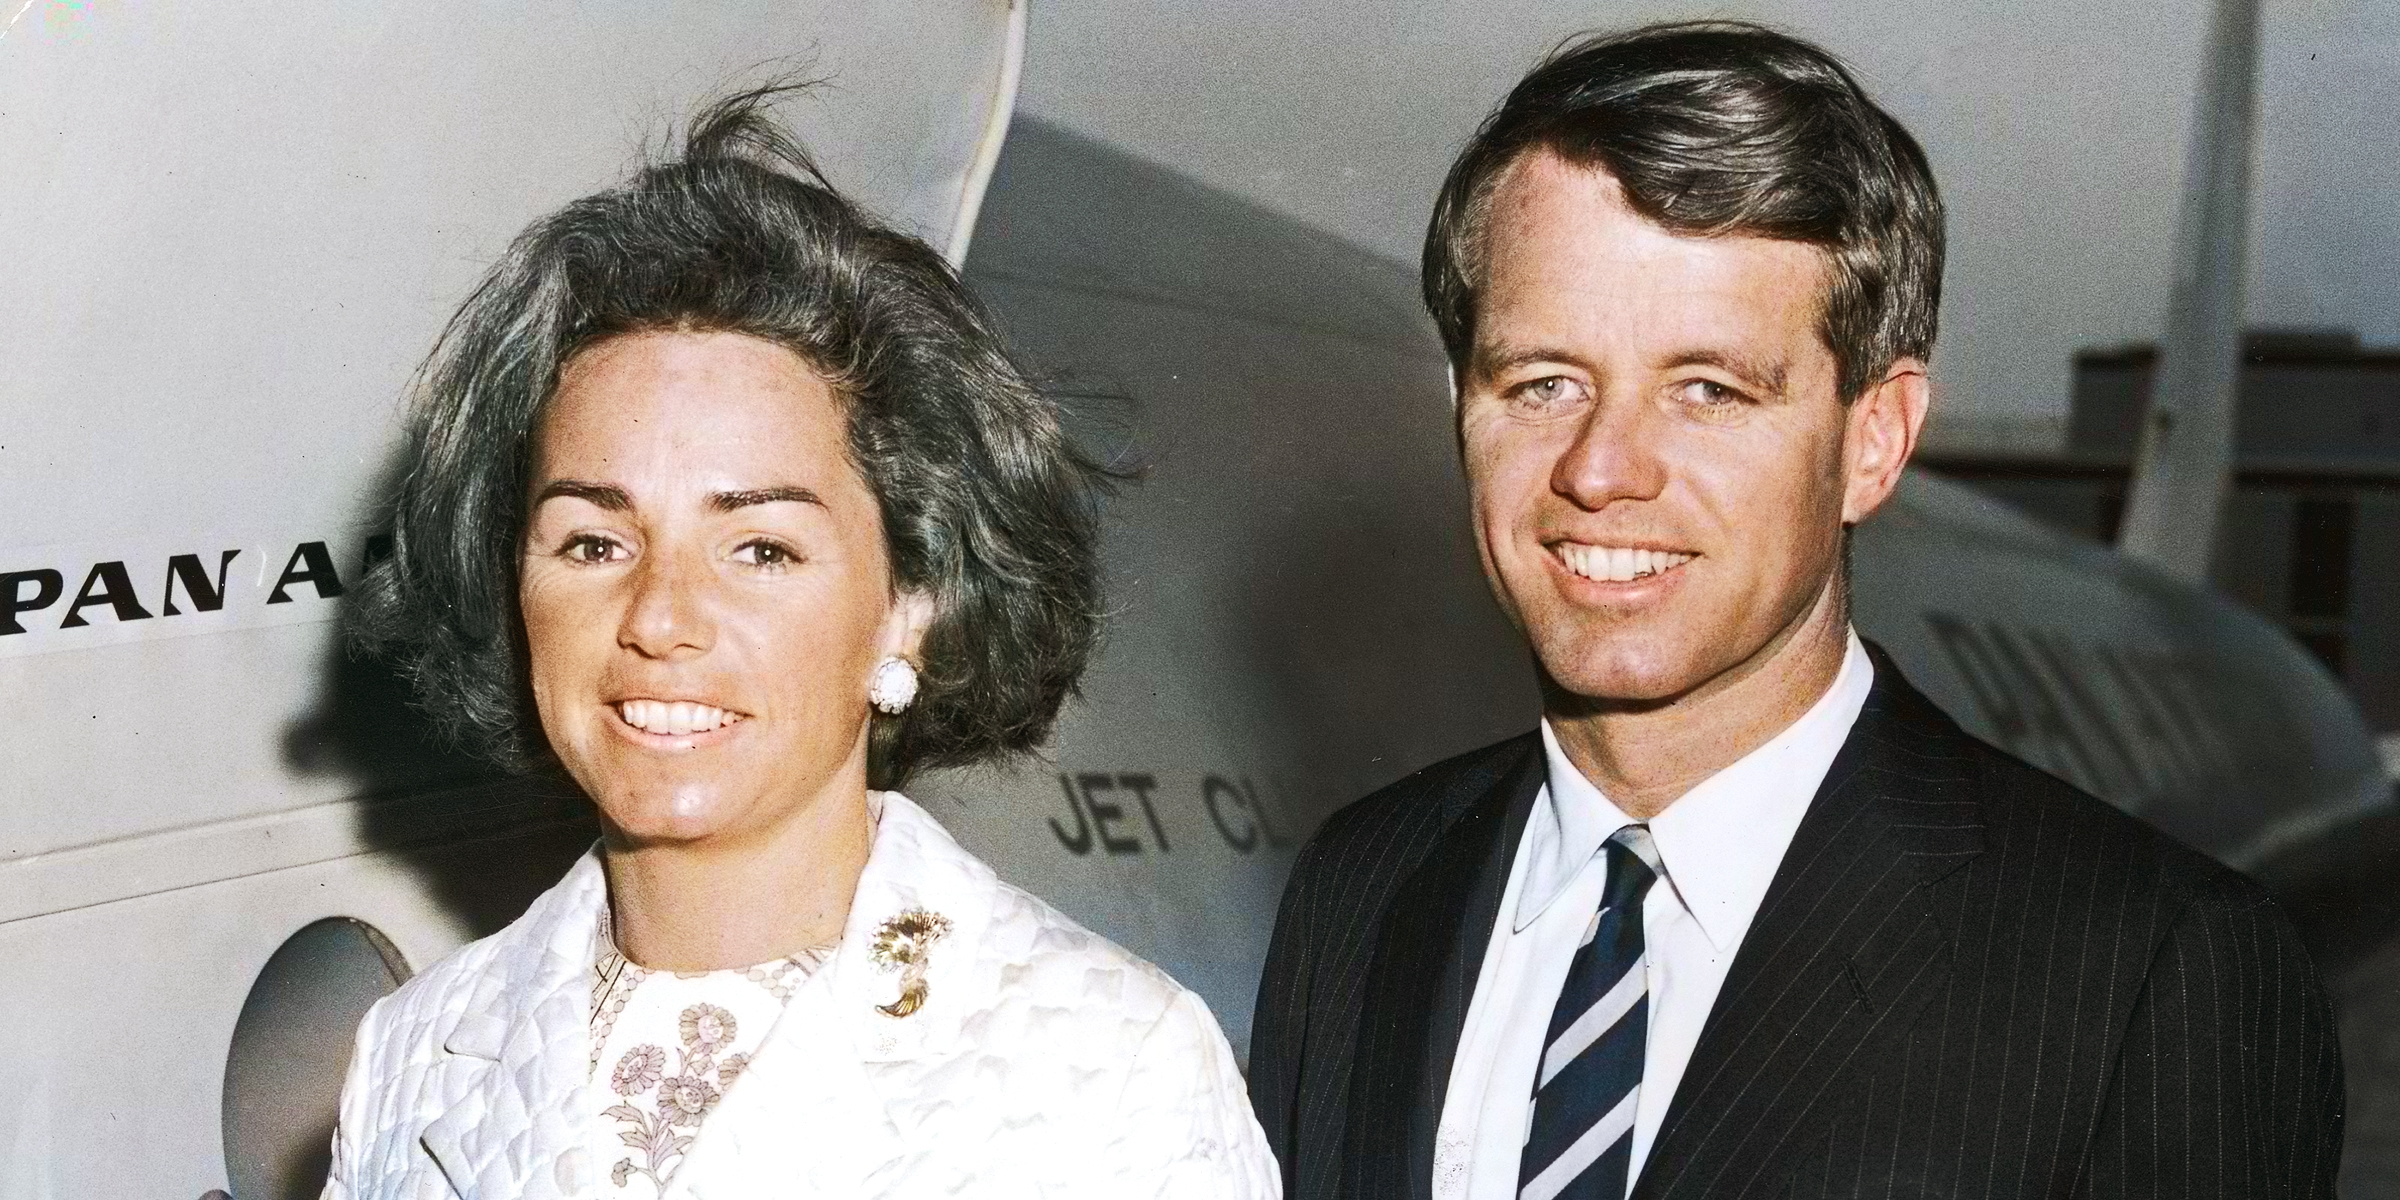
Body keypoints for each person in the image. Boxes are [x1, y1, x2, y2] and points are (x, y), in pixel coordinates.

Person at [1248, 21, 2343, 1200]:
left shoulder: (2155, 979)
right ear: (1462, 404)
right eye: (1544, 382)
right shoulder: (1361, 891)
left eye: (1707, 390)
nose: (1601, 469)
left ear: (1875, 441)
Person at [324, 86, 1277, 1199]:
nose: (659, 617)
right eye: (591, 542)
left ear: (911, 604)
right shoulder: (410, 1056)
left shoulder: (1113, 1067)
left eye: (761, 549)